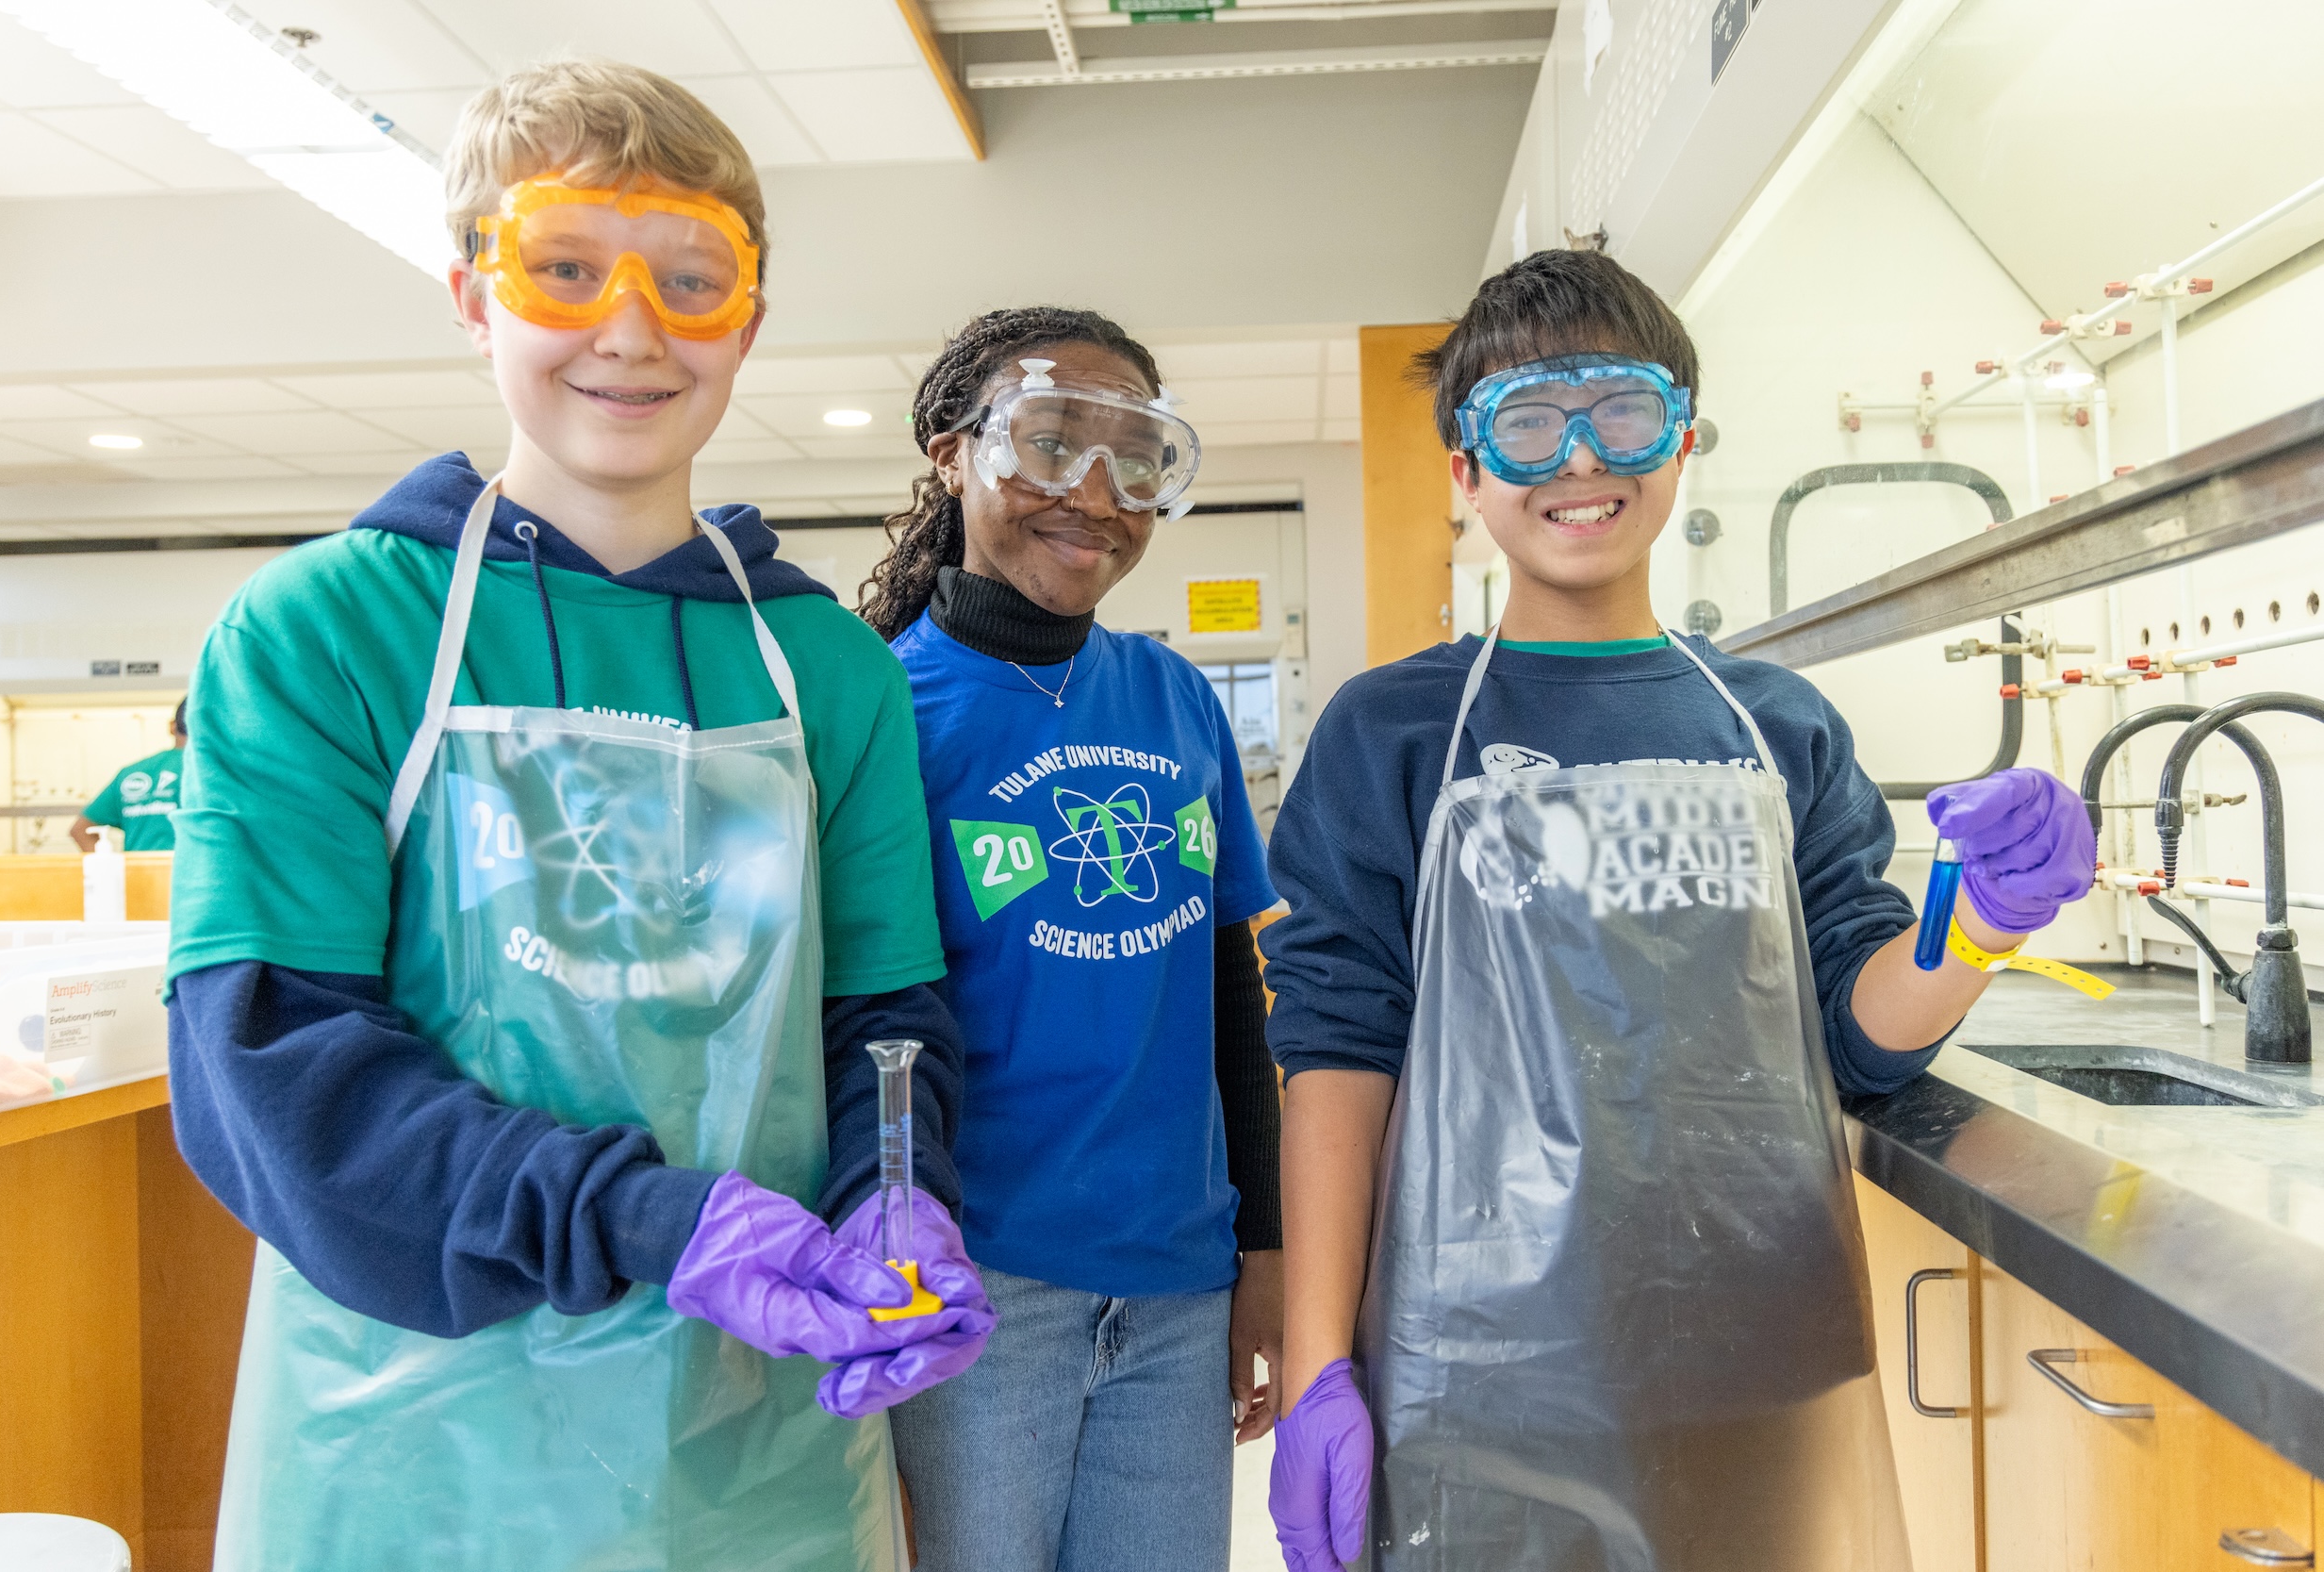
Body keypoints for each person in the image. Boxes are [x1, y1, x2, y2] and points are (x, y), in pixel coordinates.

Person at [164, 60, 993, 1571]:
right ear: (476, 295)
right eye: (564, 267)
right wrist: (660, 1223)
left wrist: (896, 1196)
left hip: (760, 1457)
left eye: (692, 279)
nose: (629, 328)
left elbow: (884, 1022)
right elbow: (274, 1071)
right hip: (415, 1450)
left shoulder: (828, 670)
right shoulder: (326, 628)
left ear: (748, 316)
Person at [1261, 250, 2098, 1571]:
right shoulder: (1396, 730)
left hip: (1757, 1340)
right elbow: (1336, 1049)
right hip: (1476, 1358)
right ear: (1467, 472)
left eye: (1625, 414)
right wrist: (1318, 1367)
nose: (1581, 460)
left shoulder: (1778, 726)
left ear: (1685, 440)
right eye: (1528, 421)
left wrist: (1979, 922)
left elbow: (1858, 1037)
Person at [856, 307, 1287, 1572]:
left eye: (1135, 460)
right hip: (975, 1283)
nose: (1094, 494)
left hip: (1177, 1277)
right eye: (1049, 444)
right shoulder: (884, 705)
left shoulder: (1177, 698)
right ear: (952, 455)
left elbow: (1225, 992)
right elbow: (856, 1023)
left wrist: (1261, 1249)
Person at [72, 699, 185, 852]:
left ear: (172, 727)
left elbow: (80, 830)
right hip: (193, 874)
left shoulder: (132, 773)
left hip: (138, 874)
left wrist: (110, 870)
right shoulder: (215, 773)